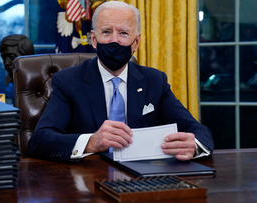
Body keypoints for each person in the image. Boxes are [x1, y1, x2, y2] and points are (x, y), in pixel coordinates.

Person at [28, 1, 214, 162]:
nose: (114, 41)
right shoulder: (68, 81)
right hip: (88, 180)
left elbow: (196, 129)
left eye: (124, 33)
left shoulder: (155, 80)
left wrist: (194, 146)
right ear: (93, 39)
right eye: (106, 32)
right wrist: (91, 142)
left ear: (136, 42)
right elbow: (40, 140)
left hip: (142, 180)